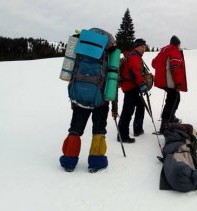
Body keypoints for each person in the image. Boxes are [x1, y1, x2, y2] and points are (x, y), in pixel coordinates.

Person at [59, 29, 116, 172]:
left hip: (79, 97)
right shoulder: (110, 53)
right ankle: (96, 162)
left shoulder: (81, 48)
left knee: (75, 130)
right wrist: (114, 106)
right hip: (101, 100)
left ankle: (69, 161)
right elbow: (113, 80)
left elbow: (72, 72)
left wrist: (72, 98)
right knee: (99, 130)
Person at [152, 35, 187, 133]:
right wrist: (179, 84)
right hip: (171, 82)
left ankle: (171, 118)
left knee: (175, 99)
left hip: (164, 82)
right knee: (171, 102)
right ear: (177, 44)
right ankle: (165, 125)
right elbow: (175, 68)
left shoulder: (163, 51)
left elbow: (153, 63)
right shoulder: (174, 51)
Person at [117, 38, 148, 143]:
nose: (144, 49)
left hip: (132, 86)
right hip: (131, 86)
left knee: (140, 106)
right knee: (127, 111)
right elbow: (135, 72)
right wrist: (142, 84)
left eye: (145, 47)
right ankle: (122, 135)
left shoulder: (133, 55)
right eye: (142, 47)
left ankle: (138, 129)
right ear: (137, 47)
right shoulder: (134, 56)